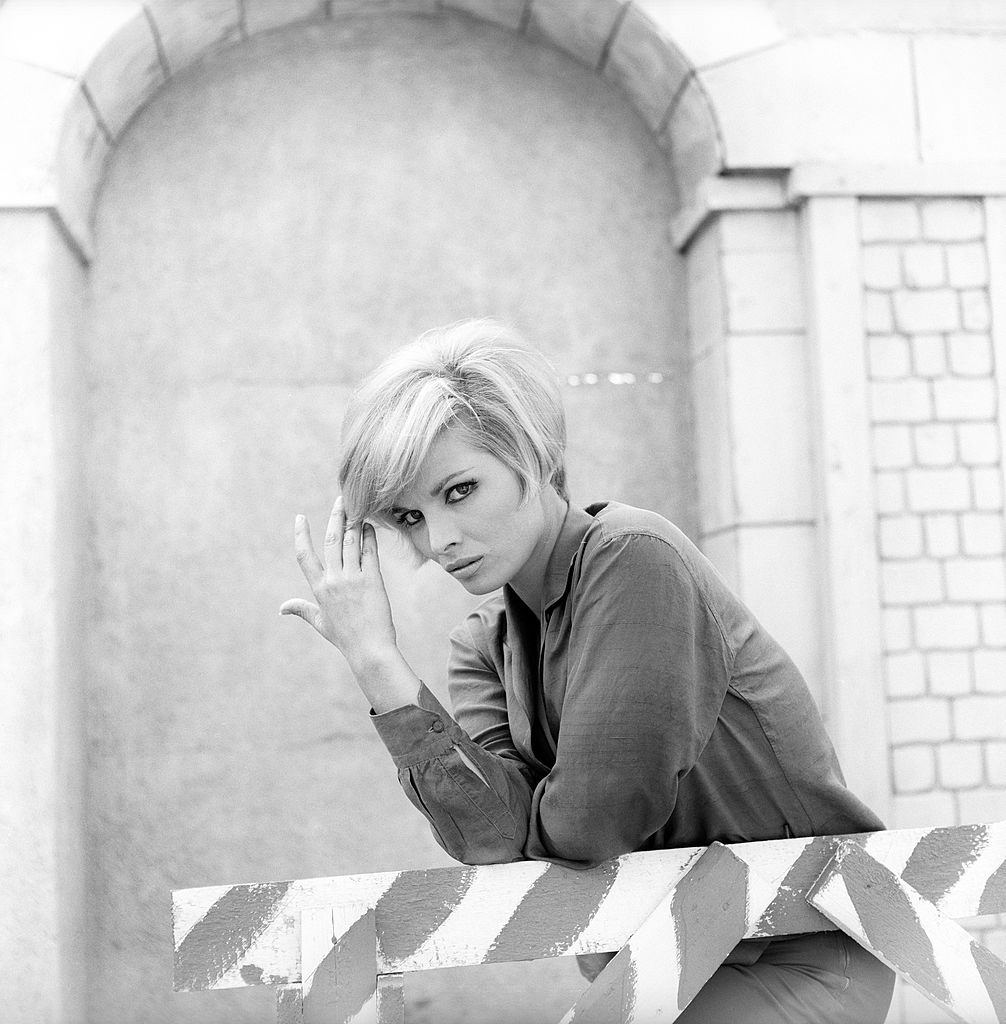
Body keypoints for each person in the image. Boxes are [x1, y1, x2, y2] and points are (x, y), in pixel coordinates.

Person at [280, 318, 895, 1021]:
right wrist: (375, 660)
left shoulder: (635, 559)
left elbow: (590, 829)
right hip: (652, 957)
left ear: (532, 454)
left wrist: (529, 820)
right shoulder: (481, 643)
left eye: (458, 491)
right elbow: (489, 843)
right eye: (409, 518)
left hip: (794, 947)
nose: (439, 540)